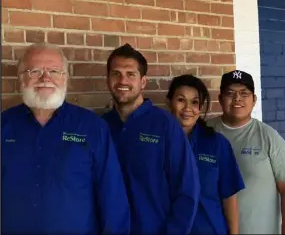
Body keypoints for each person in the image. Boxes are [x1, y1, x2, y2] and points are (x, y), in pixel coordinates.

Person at [1, 43, 130, 235]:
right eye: (35, 71)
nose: (46, 78)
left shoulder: (93, 127)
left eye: (54, 71)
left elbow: (112, 198)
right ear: (21, 78)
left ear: (65, 78)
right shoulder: (3, 125)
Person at [101, 44, 200, 234]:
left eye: (131, 74)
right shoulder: (101, 127)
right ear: (108, 80)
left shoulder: (165, 126)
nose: (123, 80)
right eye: (116, 73)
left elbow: (187, 190)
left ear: (143, 82)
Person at [207, 70, 285, 234]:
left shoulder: (269, 137)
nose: (237, 98)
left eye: (244, 93)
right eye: (230, 93)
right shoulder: (205, 132)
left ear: (254, 100)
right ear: (220, 99)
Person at [166, 74, 245, 235]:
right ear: (170, 103)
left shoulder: (217, 144)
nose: (188, 108)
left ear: (200, 107)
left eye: (194, 102)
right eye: (181, 100)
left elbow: (229, 198)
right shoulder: (158, 143)